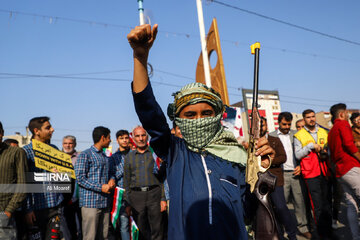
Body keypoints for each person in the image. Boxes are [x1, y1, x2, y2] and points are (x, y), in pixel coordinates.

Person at [127, 23, 275, 240]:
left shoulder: (236, 157)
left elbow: (249, 211)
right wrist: (140, 58)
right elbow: (148, 111)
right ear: (179, 120)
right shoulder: (175, 152)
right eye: (190, 115)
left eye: (206, 113)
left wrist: (261, 172)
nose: (199, 120)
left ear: (217, 115)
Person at [269, 112, 311, 239]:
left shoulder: (296, 135)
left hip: (296, 172)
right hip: (280, 175)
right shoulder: (271, 136)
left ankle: (302, 227)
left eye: (289, 124)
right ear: (278, 123)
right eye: (284, 124)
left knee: (300, 202)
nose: (287, 127)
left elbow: (302, 152)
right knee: (281, 206)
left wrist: (300, 165)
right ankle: (281, 230)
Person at [23, 116, 64, 240]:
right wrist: (28, 210)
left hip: (55, 207)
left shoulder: (55, 150)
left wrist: (60, 175)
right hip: (35, 210)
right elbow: (24, 182)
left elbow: (64, 179)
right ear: (36, 131)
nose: (52, 130)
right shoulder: (26, 152)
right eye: (48, 128)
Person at [294, 110, 333, 239]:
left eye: (313, 116)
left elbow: (330, 150)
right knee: (317, 206)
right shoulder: (299, 135)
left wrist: (325, 150)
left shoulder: (323, 132)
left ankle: (329, 232)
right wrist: (310, 146)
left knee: (327, 204)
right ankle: (322, 234)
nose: (311, 119)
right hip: (311, 173)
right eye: (308, 117)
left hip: (325, 171)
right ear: (304, 119)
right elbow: (298, 154)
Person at [123, 126, 165, 240]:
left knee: (157, 229)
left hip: (154, 195)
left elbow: (161, 178)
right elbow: (126, 181)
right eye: (137, 136)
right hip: (136, 197)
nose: (141, 138)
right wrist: (127, 203)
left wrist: (163, 199)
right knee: (140, 229)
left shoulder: (155, 153)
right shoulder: (128, 157)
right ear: (133, 137)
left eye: (143, 135)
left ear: (147, 136)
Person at [75, 126, 115, 240]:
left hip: (104, 202)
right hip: (90, 204)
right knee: (90, 237)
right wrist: (101, 187)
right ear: (102, 138)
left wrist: (112, 179)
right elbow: (80, 178)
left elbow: (110, 173)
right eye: (109, 138)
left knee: (104, 236)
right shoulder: (85, 155)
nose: (110, 140)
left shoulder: (105, 156)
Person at [261, 117, 298, 240]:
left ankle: (292, 234)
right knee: (271, 210)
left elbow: (283, 157)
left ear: (267, 127)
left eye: (263, 125)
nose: (261, 127)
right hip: (260, 181)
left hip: (275, 179)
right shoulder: (252, 143)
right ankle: (280, 235)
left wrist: (268, 162)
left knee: (281, 207)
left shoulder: (274, 140)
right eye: (258, 125)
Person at [328, 104, 360, 240]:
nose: (348, 116)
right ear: (342, 114)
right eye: (346, 113)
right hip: (350, 167)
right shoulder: (343, 125)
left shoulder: (332, 130)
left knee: (351, 205)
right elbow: (349, 144)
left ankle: (355, 236)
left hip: (341, 171)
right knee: (352, 204)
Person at [0, 121, 27, 240]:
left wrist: (8, 211)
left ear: (1, 134)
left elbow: (23, 186)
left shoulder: (16, 152)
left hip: (4, 213)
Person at [109, 130, 131, 240]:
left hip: (136, 194)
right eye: (122, 138)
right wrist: (125, 169)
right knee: (124, 225)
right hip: (121, 195)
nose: (125, 140)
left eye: (126, 138)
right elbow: (111, 175)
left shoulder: (134, 154)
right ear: (117, 140)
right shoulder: (113, 158)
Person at [62, 135, 82, 240]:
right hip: (63, 197)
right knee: (67, 228)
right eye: (65, 143)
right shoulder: (57, 156)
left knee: (80, 227)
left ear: (74, 144)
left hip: (78, 197)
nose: (68, 145)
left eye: (70, 143)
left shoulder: (81, 157)